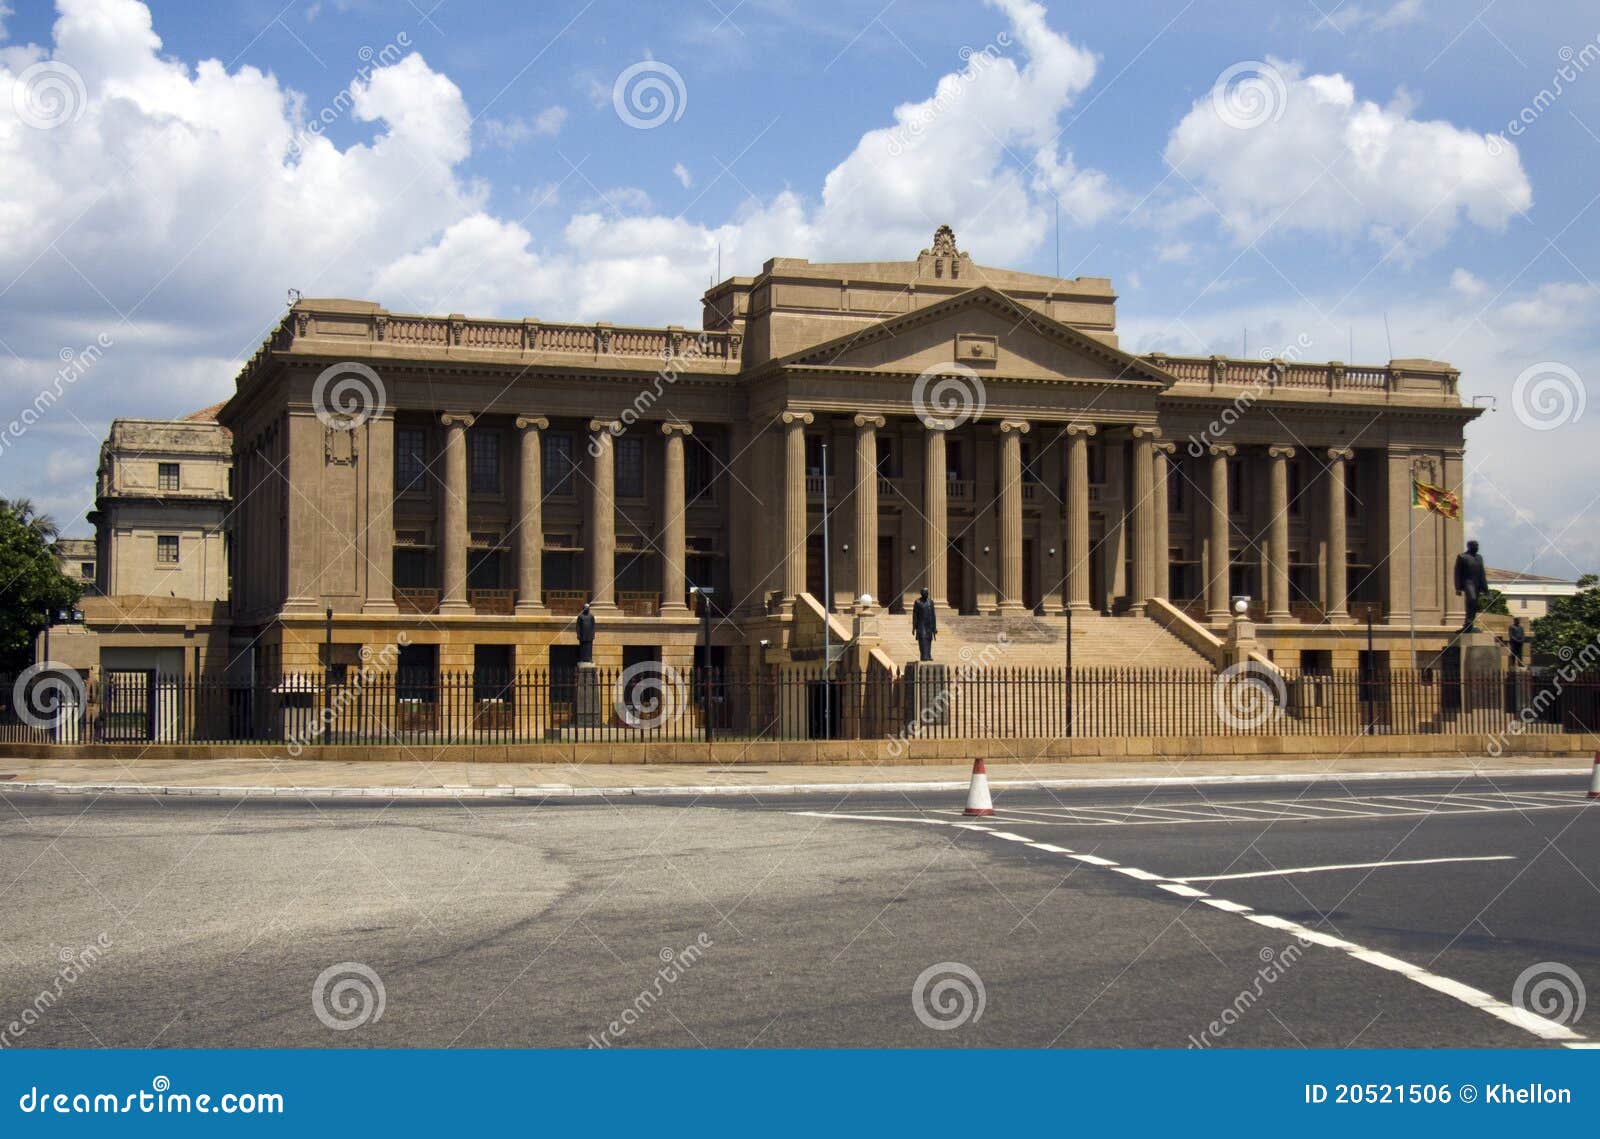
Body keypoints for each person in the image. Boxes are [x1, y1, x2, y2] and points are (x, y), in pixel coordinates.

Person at [1453, 539, 1488, 633]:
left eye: (1477, 546)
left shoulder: (1479, 557)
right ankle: (1468, 624)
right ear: (1469, 547)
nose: (1477, 548)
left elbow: (1482, 573)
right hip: (1468, 583)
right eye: (1475, 546)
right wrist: (1458, 587)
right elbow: (1457, 573)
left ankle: (1469, 625)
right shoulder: (1462, 557)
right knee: (1471, 599)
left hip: (1477, 584)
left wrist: (1485, 588)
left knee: (1474, 605)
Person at [911, 587, 937, 662]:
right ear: (922, 593)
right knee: (922, 640)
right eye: (925, 592)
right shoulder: (917, 602)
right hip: (921, 624)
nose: (927, 594)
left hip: (929, 624)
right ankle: (924, 655)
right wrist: (914, 627)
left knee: (929, 639)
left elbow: (933, 615)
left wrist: (934, 627)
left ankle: (928, 655)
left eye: (927, 592)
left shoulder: (930, 602)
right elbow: (915, 615)